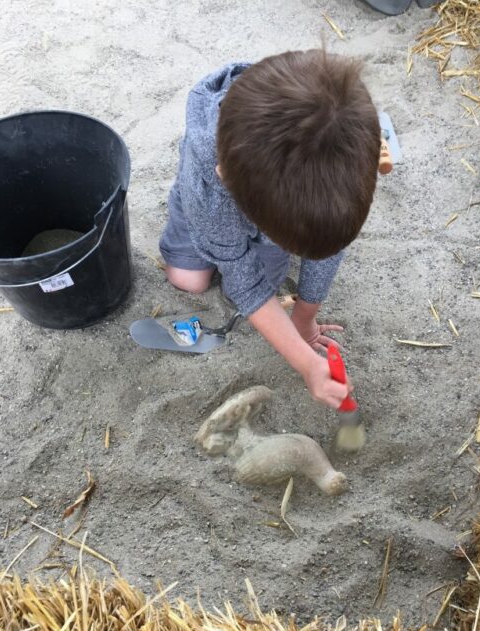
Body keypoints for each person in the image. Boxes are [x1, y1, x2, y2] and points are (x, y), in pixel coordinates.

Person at [159, 50, 380, 410]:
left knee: (265, 289)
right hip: (204, 204)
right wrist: (307, 364)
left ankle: (275, 234)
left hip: (265, 199)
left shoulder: (349, 154)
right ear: (226, 178)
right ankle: (218, 235)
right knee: (190, 280)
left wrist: (304, 318)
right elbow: (243, 280)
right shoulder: (212, 191)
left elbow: (327, 242)